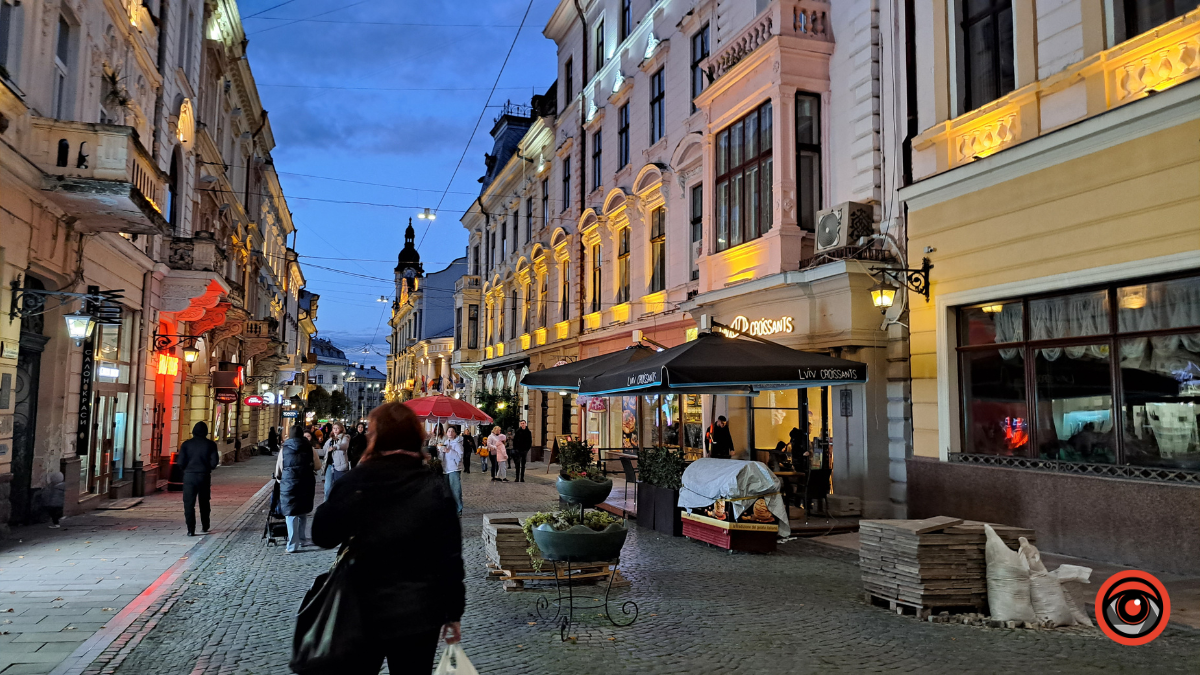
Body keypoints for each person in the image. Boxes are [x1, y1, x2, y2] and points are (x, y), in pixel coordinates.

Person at [311, 403, 464, 673]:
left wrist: (343, 496)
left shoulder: (357, 481)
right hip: (419, 609)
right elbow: (449, 557)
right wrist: (453, 614)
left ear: (375, 436)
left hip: (362, 606)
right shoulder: (434, 487)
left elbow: (323, 534)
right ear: (417, 438)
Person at [276, 424, 319, 553]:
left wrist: (279, 479)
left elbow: (279, 467)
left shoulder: (284, 449)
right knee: (302, 510)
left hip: (289, 483)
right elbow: (317, 466)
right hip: (306, 482)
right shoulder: (310, 448)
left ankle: (292, 545)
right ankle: (302, 539)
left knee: (291, 513)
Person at [177, 422, 221, 536]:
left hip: (189, 476)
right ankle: (205, 526)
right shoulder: (210, 444)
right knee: (204, 502)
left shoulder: (186, 445)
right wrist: (207, 467)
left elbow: (180, 462)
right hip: (204, 476)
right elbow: (214, 462)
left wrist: (187, 469)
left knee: (189, 503)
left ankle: (190, 530)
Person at [439, 427, 465, 515]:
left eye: (452, 431)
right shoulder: (446, 443)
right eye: (449, 431)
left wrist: (449, 451)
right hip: (446, 469)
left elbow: (459, 457)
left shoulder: (457, 444)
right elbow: (442, 456)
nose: (450, 432)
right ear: (446, 433)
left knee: (455, 489)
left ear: (455, 433)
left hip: (454, 468)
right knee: (447, 490)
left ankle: (458, 508)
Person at [322, 423, 351, 496]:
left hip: (340, 465)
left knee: (339, 487)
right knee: (327, 487)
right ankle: (327, 504)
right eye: (334, 428)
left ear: (341, 429)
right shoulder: (330, 439)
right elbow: (324, 449)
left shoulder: (345, 437)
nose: (335, 430)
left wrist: (336, 447)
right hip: (329, 465)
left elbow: (345, 445)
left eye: (337, 428)